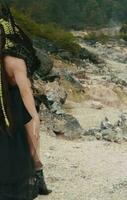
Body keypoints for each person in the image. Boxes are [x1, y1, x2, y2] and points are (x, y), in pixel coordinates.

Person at [0, 1, 51, 199]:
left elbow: (25, 91)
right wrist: (34, 116)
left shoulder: (11, 61)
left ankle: (35, 172)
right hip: (14, 106)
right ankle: (37, 172)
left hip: (7, 107)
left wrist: (33, 116)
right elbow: (25, 91)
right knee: (28, 139)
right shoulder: (16, 61)